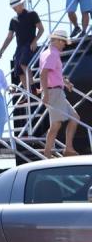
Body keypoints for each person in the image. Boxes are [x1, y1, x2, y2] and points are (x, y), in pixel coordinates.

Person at [40, 29, 81, 157]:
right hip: (53, 92)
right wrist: (46, 93)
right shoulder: (53, 54)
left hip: (56, 91)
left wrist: (65, 82)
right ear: (57, 40)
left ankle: (68, 148)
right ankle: (47, 153)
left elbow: (53, 73)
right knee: (56, 123)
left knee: (74, 117)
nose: (65, 44)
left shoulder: (47, 53)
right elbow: (43, 73)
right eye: (63, 42)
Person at [0, 0, 43, 95]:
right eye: (13, 7)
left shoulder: (32, 14)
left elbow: (41, 29)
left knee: (23, 63)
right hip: (19, 47)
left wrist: (35, 41)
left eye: (16, 6)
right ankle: (28, 93)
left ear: (21, 4)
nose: (14, 8)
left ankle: (33, 89)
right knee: (18, 70)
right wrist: (1, 51)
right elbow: (9, 37)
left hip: (29, 44)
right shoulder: (13, 20)